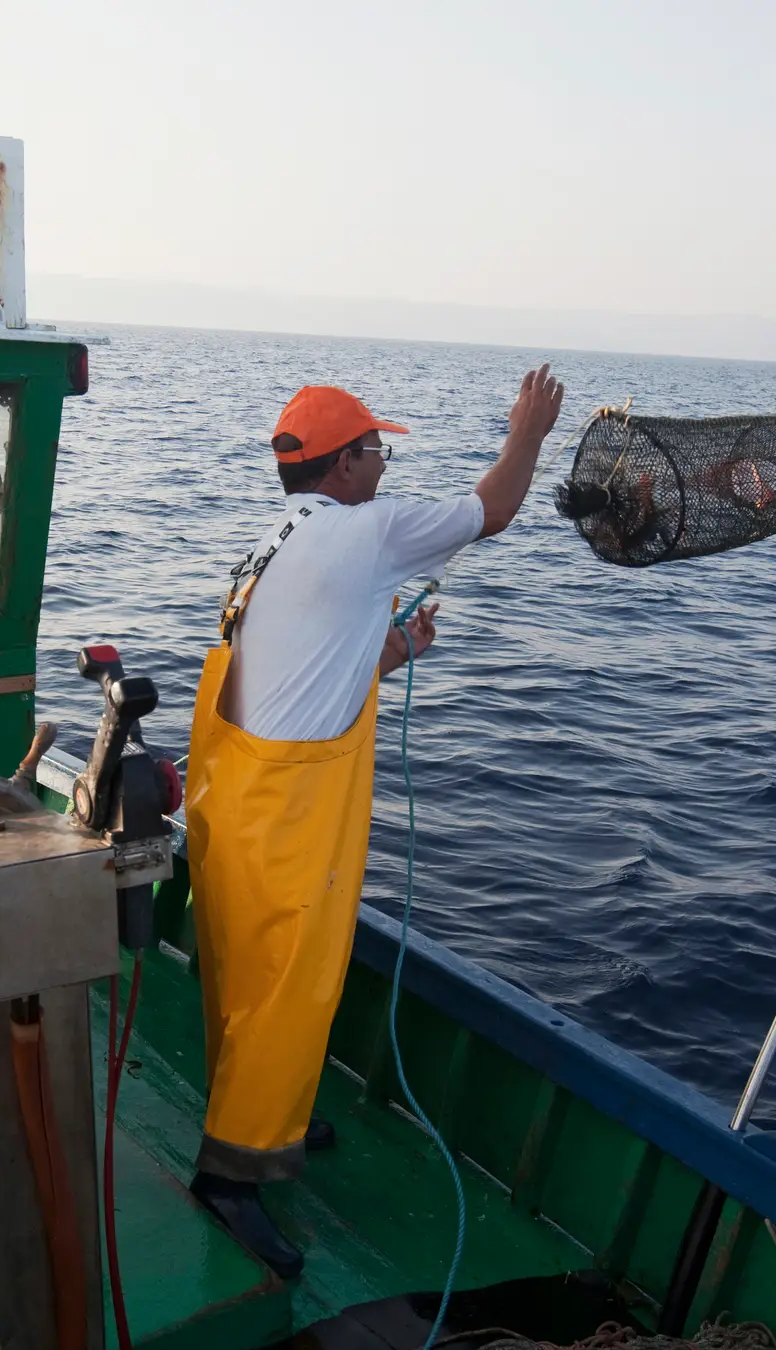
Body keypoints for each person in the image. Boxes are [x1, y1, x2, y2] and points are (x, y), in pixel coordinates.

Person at [183, 366, 566, 1277]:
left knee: (244, 973)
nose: (384, 465)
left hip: (232, 795)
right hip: (289, 811)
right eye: (375, 450)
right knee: (289, 982)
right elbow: (492, 510)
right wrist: (529, 433)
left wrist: (394, 647)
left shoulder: (275, 542)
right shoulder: (369, 532)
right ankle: (229, 1178)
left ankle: (263, 1115)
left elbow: (302, 669)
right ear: (341, 465)